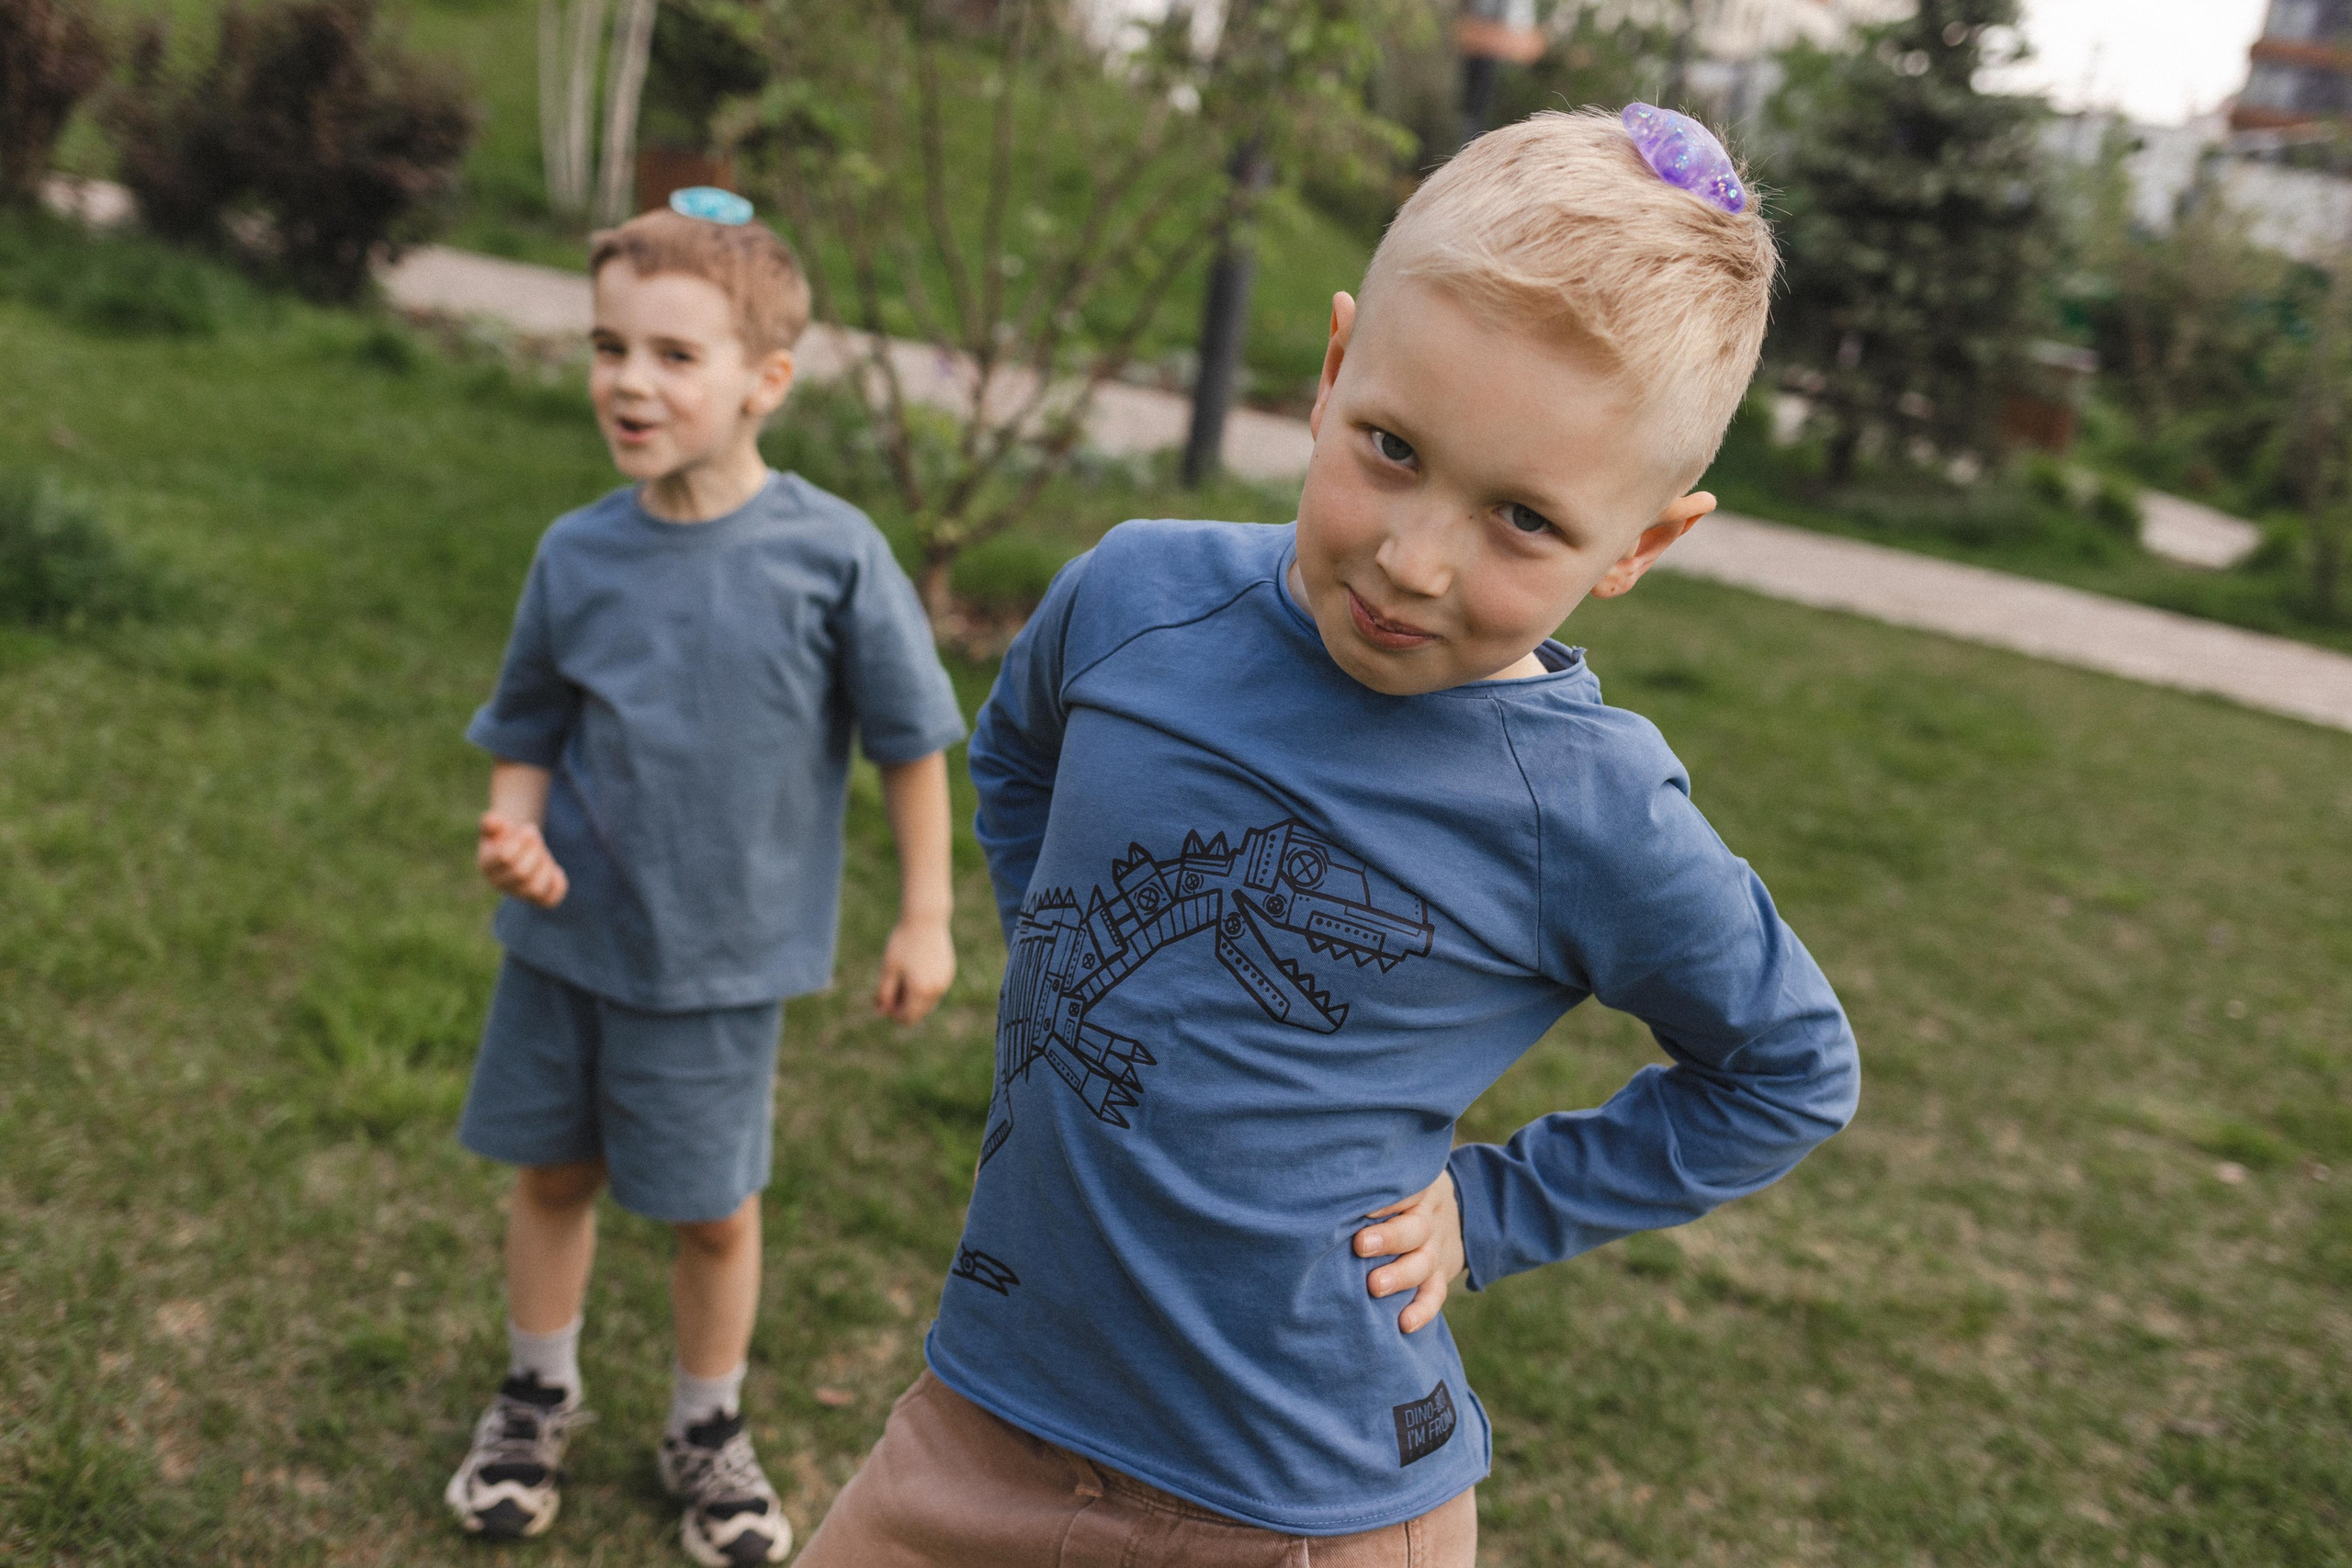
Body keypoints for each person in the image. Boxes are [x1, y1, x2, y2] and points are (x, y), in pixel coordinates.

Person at [797, 108, 1861, 1566]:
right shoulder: (1131, 600)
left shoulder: (1591, 810)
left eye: (1525, 521)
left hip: (1303, 1506)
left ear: (1640, 548)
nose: (1415, 560)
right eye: (1393, 447)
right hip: (981, 1425)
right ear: (1332, 370)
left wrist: (1496, 1209)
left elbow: (1788, 1067)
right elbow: (1020, 753)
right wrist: (1065, 972)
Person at [441, 194, 967, 1567]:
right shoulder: (578, 553)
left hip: (720, 965)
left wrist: (926, 916)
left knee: (711, 1210)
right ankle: (533, 1393)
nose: (629, 380)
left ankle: (706, 1426)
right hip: (565, 944)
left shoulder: (832, 555)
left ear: (765, 383)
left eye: (676, 355)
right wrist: (515, 830)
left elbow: (913, 747)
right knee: (552, 1174)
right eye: (610, 346)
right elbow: (527, 729)